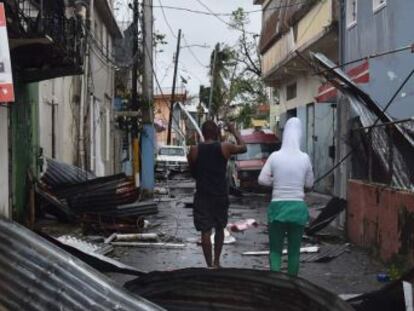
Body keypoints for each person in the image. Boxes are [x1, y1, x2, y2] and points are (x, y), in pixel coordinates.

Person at [258, 117, 314, 276]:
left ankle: (276, 284)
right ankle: (292, 284)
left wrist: (276, 182)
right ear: (299, 135)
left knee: (275, 250)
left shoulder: (275, 156)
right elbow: (310, 184)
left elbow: (262, 179)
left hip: (277, 208)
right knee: (294, 252)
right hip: (297, 208)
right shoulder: (304, 158)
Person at [188, 120, 246, 268]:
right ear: (216, 133)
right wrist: (233, 130)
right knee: (220, 228)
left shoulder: (194, 150)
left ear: (203, 132)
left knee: (205, 230)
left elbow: (193, 172)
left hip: (202, 195)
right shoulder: (224, 147)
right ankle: (216, 262)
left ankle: (209, 265)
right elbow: (244, 147)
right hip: (220, 195)